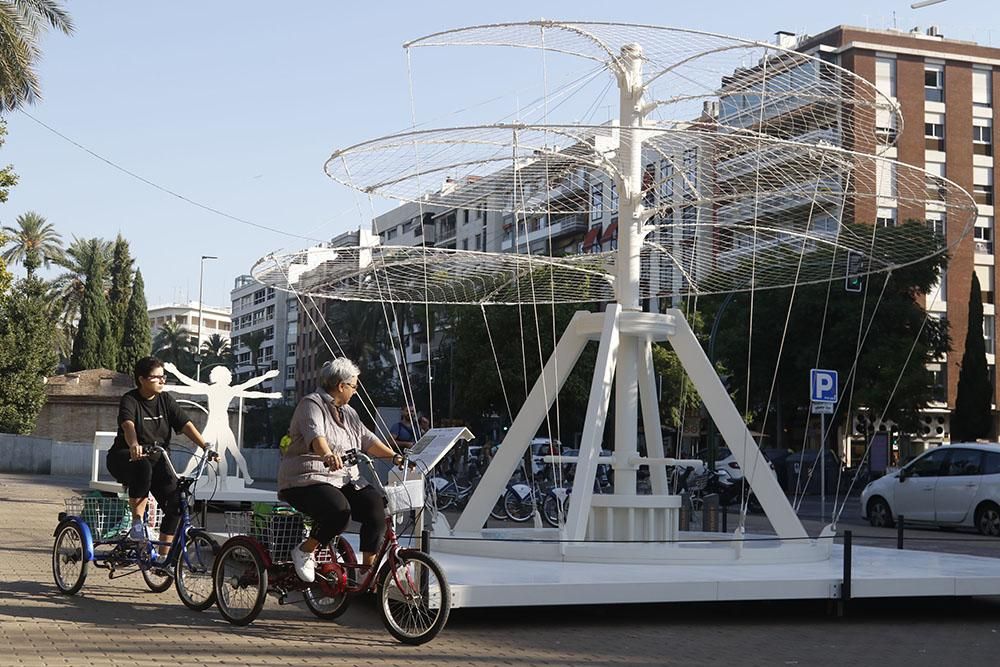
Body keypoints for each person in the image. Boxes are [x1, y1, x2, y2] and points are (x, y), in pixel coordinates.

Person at [278, 358, 405, 582]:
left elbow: (368, 440)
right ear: (341, 386)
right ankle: (304, 550)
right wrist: (327, 454)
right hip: (307, 479)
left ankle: (367, 571)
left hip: (343, 478)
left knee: (376, 507)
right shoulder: (311, 404)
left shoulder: (349, 412)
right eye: (354, 387)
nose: (355, 391)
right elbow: (316, 436)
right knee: (339, 510)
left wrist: (394, 456)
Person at [106, 356, 215, 558]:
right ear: (142, 379)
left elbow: (185, 424)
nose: (162, 381)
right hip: (125, 458)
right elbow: (128, 424)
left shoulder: (165, 400)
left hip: (158, 461)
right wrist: (134, 444)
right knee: (143, 467)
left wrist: (206, 447)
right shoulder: (130, 400)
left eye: (163, 377)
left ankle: (164, 559)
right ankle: (137, 525)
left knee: (176, 503)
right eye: (156, 377)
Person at [162, 362, 281, 486]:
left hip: (218, 425)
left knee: (212, 452)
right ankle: (227, 479)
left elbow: (186, 384)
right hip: (217, 425)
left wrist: (173, 372)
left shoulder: (214, 389)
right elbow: (250, 389)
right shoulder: (227, 390)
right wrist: (267, 381)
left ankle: (230, 478)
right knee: (223, 453)